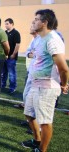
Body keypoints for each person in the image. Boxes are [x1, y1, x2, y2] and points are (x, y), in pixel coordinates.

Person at [21, 9, 69, 152]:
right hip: (36, 84)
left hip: (46, 86)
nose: (33, 22)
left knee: (45, 122)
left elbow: (63, 68)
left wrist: (64, 84)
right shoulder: (40, 39)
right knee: (29, 114)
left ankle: (42, 150)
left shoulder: (53, 40)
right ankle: (37, 140)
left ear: (44, 22)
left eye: (36, 19)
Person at [2, 18, 21, 94]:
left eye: (7, 24)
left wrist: (13, 54)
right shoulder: (4, 33)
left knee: (11, 73)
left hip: (11, 57)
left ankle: (12, 87)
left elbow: (17, 44)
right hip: (4, 56)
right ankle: (2, 85)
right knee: (3, 72)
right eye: (5, 24)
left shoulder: (16, 33)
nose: (6, 25)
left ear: (12, 24)